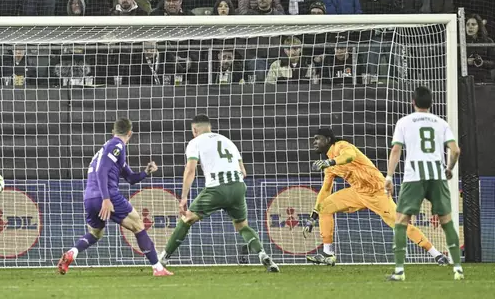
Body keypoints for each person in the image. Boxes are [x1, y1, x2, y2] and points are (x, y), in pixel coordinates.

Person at [303, 127, 448, 267]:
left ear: (328, 139)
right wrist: (313, 216)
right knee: (324, 207)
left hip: (377, 192)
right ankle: (328, 254)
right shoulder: (327, 165)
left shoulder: (341, 146)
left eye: (317, 139)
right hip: (358, 192)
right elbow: (325, 189)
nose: (314, 142)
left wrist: (330, 162)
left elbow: (350, 156)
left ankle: (436, 254)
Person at [158, 114, 280, 273]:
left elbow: (190, 170)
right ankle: (263, 254)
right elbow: (243, 172)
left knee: (187, 218)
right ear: (210, 128)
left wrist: (183, 197)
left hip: (217, 188)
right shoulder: (228, 141)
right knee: (242, 225)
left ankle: (164, 259)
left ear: (195, 130)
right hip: (238, 186)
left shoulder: (195, 142)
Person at [57, 118, 173, 277]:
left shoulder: (108, 150)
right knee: (138, 225)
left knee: (95, 233)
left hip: (89, 197)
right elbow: (101, 171)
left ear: (113, 131)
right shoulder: (116, 146)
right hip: (107, 195)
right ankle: (158, 268)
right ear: (130, 133)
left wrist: (146, 172)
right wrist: (106, 199)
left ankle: (72, 252)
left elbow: (131, 178)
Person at [385, 86, 463, 281]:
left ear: (413, 102)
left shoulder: (404, 122)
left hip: (414, 177)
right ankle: (458, 269)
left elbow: (396, 150)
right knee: (447, 221)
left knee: (401, 221)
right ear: (431, 103)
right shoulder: (441, 123)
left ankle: (400, 271)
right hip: (437, 175)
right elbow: (455, 150)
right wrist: (449, 168)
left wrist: (388, 176)